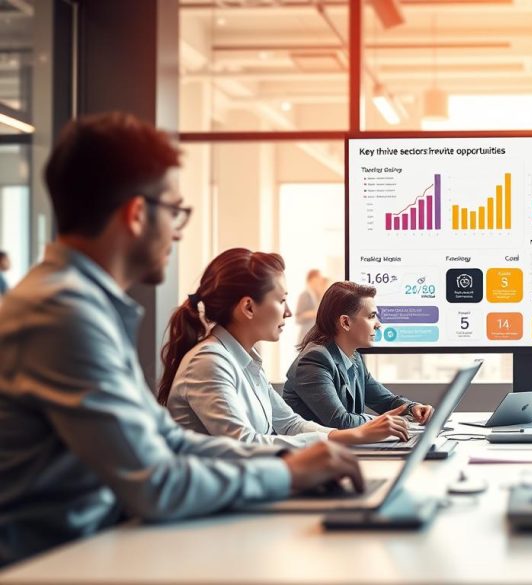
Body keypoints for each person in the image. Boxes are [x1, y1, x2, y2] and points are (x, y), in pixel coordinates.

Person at [0, 113, 363, 567]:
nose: (177, 230)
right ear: (136, 214)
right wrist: (286, 474)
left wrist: (286, 465)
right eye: (174, 211)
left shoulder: (79, 304)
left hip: (93, 548)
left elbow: (168, 442)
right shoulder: (61, 314)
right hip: (56, 563)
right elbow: (156, 483)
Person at [158, 249, 411, 447]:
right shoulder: (209, 362)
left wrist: (349, 435)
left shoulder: (246, 362)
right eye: (281, 300)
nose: (289, 312)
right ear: (248, 307)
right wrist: (349, 436)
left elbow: (290, 424)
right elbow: (245, 445)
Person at [283, 281, 434, 429]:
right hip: (310, 452)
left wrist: (412, 408)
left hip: (341, 449)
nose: (378, 324)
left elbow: (385, 401)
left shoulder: (353, 357)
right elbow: (341, 422)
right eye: (371, 316)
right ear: (345, 322)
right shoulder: (314, 361)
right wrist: (387, 421)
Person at [295, 269, 328, 343]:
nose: (320, 281)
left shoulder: (318, 294)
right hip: (306, 336)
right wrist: (312, 314)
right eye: (318, 278)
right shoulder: (304, 295)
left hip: (315, 338)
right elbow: (298, 317)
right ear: (312, 280)